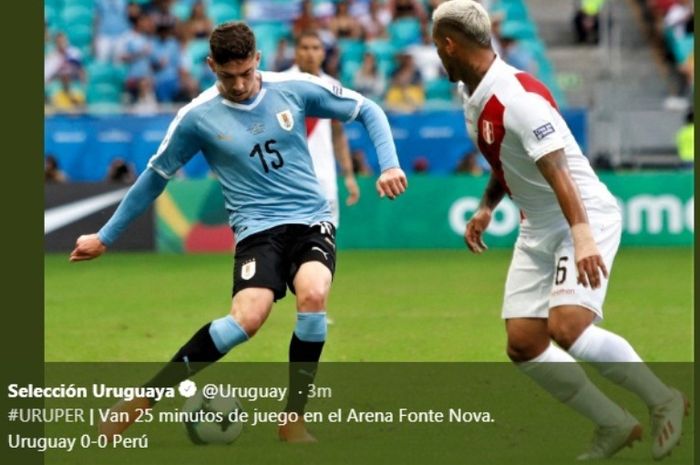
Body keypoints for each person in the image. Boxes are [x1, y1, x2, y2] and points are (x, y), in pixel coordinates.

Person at [70, 21, 407, 444]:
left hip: (310, 220)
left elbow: (368, 110)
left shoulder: (294, 88)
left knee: (314, 294)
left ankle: (293, 419)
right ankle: (144, 399)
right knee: (248, 319)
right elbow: (155, 177)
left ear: (258, 60)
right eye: (228, 76)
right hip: (256, 230)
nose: (240, 84)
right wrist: (105, 236)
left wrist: (389, 163)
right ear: (211, 66)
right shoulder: (196, 118)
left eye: (246, 73)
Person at [431, 1, 687, 461]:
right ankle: (612, 423)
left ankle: (663, 398)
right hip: (537, 226)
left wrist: (583, 236)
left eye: (437, 46)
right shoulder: (473, 95)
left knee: (568, 327)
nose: (436, 56)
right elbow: (505, 160)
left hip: (581, 215)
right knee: (524, 344)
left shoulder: (518, 98)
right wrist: (487, 208)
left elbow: (557, 169)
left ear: (449, 45)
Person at [287, 30, 360, 226]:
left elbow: (337, 134)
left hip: (324, 175)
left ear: (323, 53)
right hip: (288, 177)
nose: (310, 53)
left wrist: (349, 175)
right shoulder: (280, 84)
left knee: (326, 238)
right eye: (305, 48)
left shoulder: (332, 85)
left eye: (315, 48)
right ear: (296, 52)